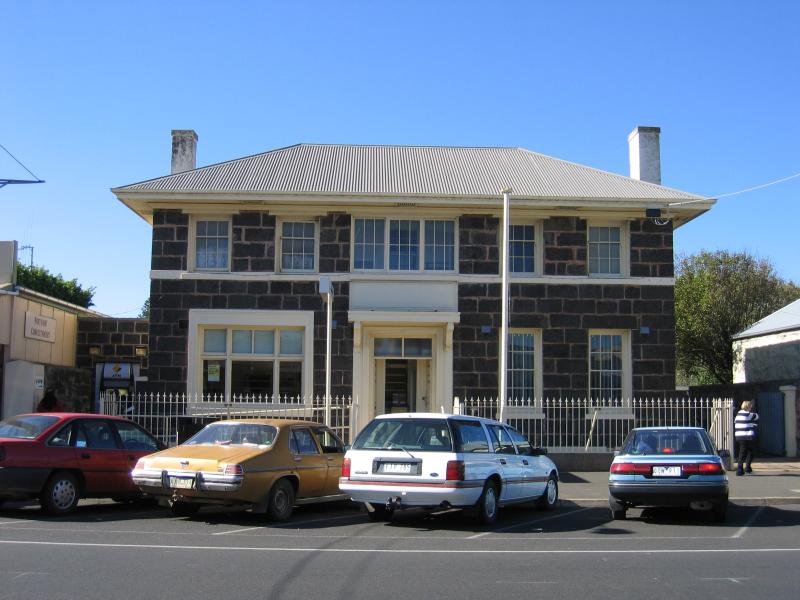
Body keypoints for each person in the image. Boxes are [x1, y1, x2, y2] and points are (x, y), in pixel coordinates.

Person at [734, 399, 759, 475]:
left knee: (742, 452)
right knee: (750, 452)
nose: (751, 408)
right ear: (747, 407)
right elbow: (757, 416)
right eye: (750, 406)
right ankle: (742, 469)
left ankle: (746, 468)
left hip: (739, 436)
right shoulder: (748, 414)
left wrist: (751, 424)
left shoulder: (738, 415)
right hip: (747, 436)